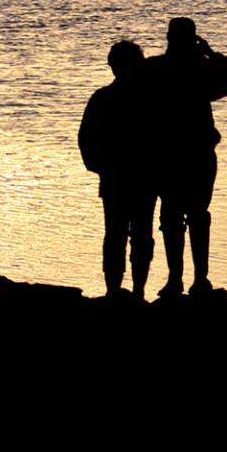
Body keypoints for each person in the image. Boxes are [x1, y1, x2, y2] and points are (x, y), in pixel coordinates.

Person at [149, 17, 227, 298]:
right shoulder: (200, 69)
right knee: (193, 215)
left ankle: (178, 280)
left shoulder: (157, 69)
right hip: (192, 153)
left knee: (174, 216)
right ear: (193, 39)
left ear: (169, 38)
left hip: (171, 154)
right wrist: (211, 53)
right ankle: (195, 279)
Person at [80, 41, 160, 299]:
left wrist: (99, 166)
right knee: (138, 235)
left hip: (120, 176)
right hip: (139, 177)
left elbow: (86, 139)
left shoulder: (103, 98)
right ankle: (135, 291)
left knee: (116, 234)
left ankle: (116, 289)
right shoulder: (149, 99)